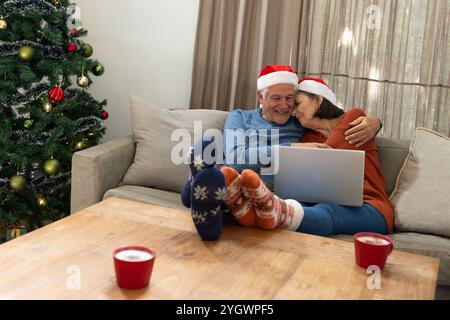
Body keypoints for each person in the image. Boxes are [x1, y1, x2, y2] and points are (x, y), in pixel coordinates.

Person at [220, 77, 393, 236]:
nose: (292, 111)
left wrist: (376, 122)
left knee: (327, 213)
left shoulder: (353, 119)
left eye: (297, 104)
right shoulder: (307, 138)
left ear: (318, 99)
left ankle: (273, 210)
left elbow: (326, 154)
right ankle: (249, 209)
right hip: (325, 203)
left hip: (370, 207)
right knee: (308, 206)